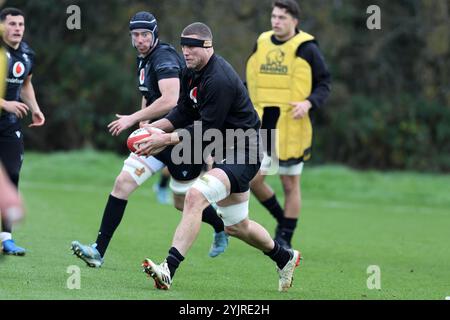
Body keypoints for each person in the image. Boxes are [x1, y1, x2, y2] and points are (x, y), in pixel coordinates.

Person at [138, 22, 301, 292]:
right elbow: (182, 112)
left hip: (245, 151)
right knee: (237, 226)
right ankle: (285, 257)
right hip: (224, 151)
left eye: (192, 47)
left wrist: (164, 139)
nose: (186, 52)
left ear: (208, 47)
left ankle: (168, 268)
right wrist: (153, 128)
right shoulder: (190, 71)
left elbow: (206, 130)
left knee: (194, 196)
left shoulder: (219, 79)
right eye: (183, 46)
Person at [71, 12, 228, 268]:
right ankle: (98, 251)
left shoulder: (163, 58)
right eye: (136, 35)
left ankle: (220, 225)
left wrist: (133, 119)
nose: (141, 40)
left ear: (154, 35)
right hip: (154, 137)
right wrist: (146, 123)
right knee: (122, 183)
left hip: (181, 141)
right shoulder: (143, 60)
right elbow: (150, 94)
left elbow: (170, 99)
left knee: (182, 201)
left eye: (145, 34)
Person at [246, 0, 331, 249]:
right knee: (254, 180)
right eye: (274, 16)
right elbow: (250, 78)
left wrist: (309, 103)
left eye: (282, 17)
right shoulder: (262, 42)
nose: (276, 21)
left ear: (295, 20)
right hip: (265, 125)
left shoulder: (307, 48)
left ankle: (286, 236)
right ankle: (282, 220)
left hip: (293, 126)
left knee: (289, 183)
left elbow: (325, 82)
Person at [0, 8, 45, 256]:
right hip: (5, 111)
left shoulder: (27, 53)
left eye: (21, 24)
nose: (18, 28)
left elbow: (26, 83)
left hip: (9, 126)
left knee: (12, 173)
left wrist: (35, 109)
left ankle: (6, 237)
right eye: (12, 24)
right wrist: (5, 103)